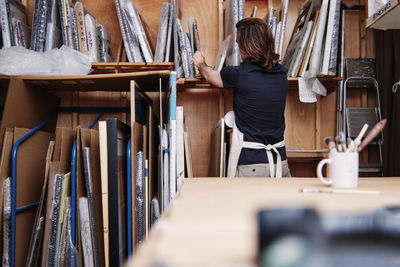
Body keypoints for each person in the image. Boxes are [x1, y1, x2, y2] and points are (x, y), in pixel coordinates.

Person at [192, 17, 291, 178]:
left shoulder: (238, 74)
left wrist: (201, 64)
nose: (238, 48)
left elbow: (210, 75)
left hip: (251, 166)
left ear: (247, 46)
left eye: (239, 43)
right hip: (280, 163)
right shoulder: (281, 73)